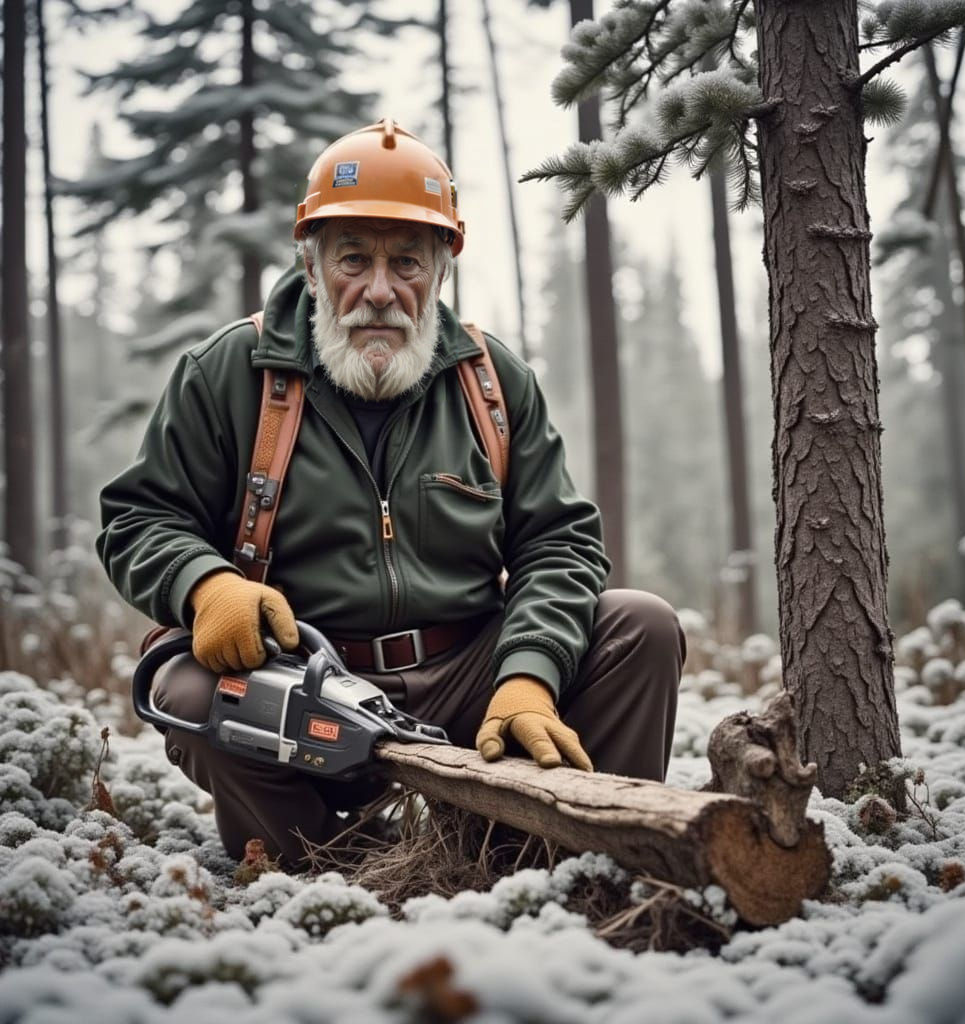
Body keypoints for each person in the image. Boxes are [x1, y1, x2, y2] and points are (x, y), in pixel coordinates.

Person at [97, 118, 685, 868]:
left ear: (443, 268)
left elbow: (558, 543)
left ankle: (577, 861)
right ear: (310, 265)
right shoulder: (229, 373)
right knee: (187, 689)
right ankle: (326, 873)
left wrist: (529, 676)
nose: (379, 290)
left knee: (643, 626)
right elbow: (140, 517)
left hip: (472, 671)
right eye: (353, 259)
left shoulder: (492, 383)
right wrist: (205, 585)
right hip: (305, 682)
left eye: (407, 261)